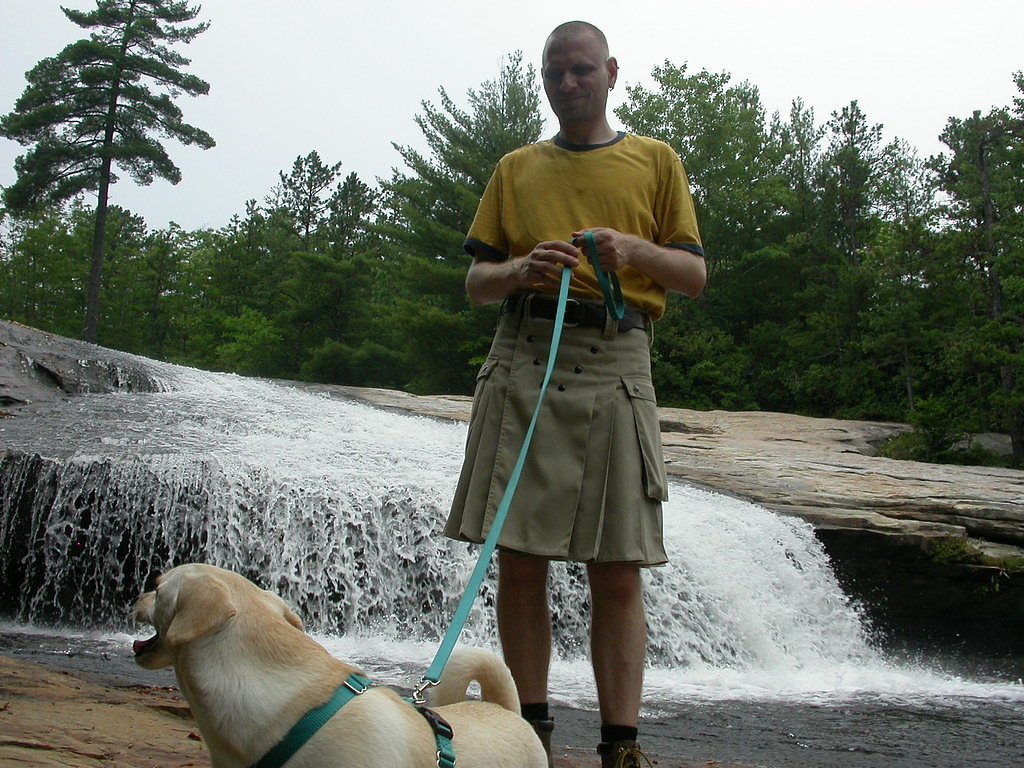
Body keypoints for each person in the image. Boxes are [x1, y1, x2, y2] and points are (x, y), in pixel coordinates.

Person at [444, 20, 706, 768]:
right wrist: (520, 269)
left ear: (611, 72)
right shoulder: (515, 168)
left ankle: (621, 748)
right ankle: (530, 736)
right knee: (520, 560)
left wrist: (635, 252)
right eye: (555, 73)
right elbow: (476, 283)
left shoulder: (656, 161)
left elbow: (693, 275)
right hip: (524, 358)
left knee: (617, 566)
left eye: (583, 70)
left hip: (615, 362)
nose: (568, 84)